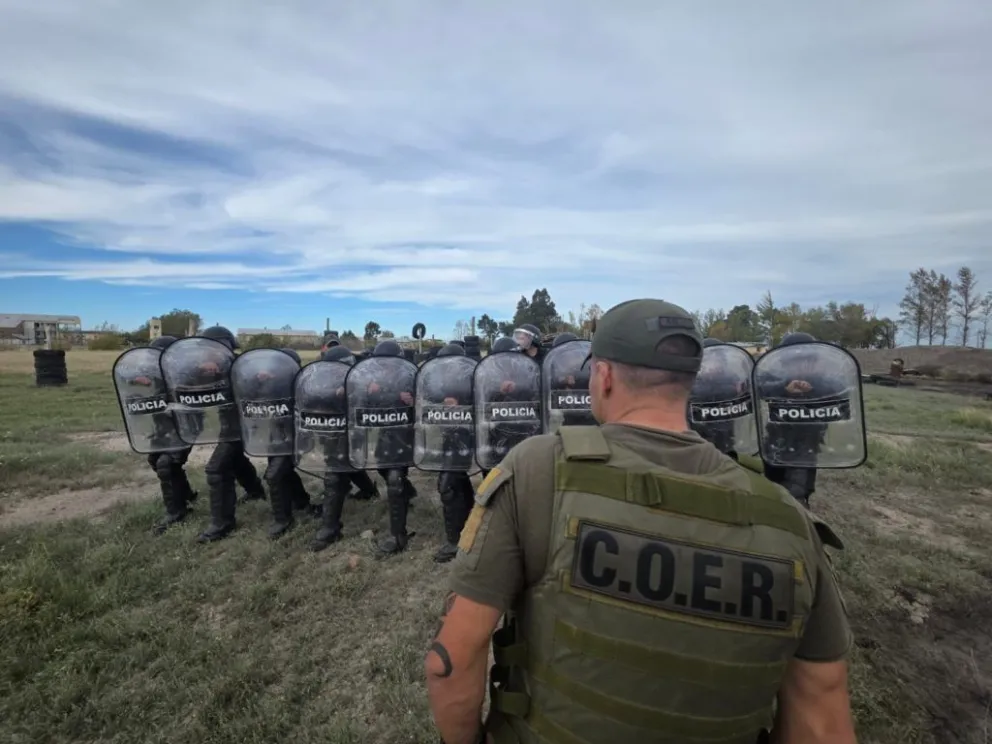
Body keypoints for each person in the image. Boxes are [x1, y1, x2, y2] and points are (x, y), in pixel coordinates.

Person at [426, 299, 856, 744]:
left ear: (605, 375)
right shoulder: (787, 517)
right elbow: (822, 716)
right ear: (690, 381)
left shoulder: (538, 469)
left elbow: (450, 660)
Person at [195, 325, 267, 542]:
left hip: (246, 423)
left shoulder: (242, 365)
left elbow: (255, 389)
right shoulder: (205, 367)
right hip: (228, 424)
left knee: (216, 468)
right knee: (234, 461)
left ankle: (222, 523)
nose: (207, 351)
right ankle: (255, 491)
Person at [311, 346, 380, 552]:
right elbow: (312, 399)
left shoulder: (362, 378)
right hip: (331, 431)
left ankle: (330, 528)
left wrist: (363, 391)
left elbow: (373, 404)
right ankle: (369, 490)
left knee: (335, 475)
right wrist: (332, 394)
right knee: (346, 465)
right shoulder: (321, 380)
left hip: (353, 432)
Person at [128, 335, 198, 534]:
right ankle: (185, 494)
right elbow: (131, 385)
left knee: (166, 464)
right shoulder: (149, 372)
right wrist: (136, 382)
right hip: (163, 426)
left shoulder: (185, 373)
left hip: (185, 426)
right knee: (154, 460)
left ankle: (176, 512)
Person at [424, 343, 476, 564]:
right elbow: (428, 399)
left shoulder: (473, 377)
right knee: (458, 479)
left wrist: (461, 402)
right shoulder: (437, 380)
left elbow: (483, 399)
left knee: (447, 483)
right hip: (447, 436)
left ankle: (455, 541)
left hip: (465, 436)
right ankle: (471, 522)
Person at [259, 348, 317, 539]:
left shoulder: (305, 384)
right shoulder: (269, 384)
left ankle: (282, 520)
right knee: (284, 473)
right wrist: (258, 381)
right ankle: (301, 502)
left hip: (296, 437)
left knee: (274, 475)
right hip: (275, 435)